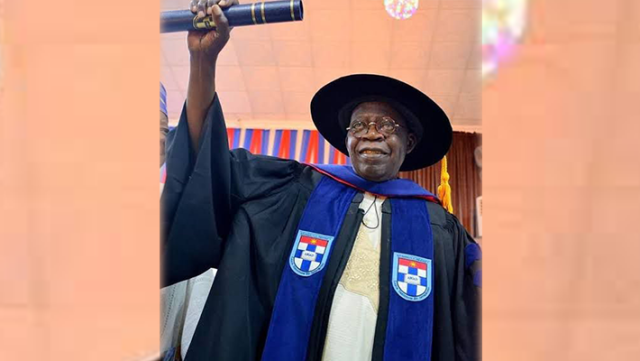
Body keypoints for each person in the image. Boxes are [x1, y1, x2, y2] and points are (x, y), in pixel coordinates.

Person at [161, 1, 481, 360]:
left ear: (408, 142)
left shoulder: (442, 230)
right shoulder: (294, 189)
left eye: (386, 126)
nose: (370, 134)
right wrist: (203, 63)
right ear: (346, 140)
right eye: (359, 125)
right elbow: (209, 170)